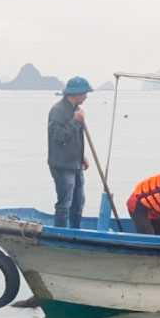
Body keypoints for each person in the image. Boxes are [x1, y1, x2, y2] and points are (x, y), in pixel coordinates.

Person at [47, 76, 92, 228]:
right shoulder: (57, 111)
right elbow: (58, 137)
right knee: (65, 203)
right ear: (76, 93)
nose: (86, 96)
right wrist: (75, 121)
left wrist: (82, 156)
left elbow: (74, 138)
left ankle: (75, 232)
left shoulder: (76, 110)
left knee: (79, 202)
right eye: (84, 93)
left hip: (75, 163)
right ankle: (60, 234)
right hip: (62, 165)